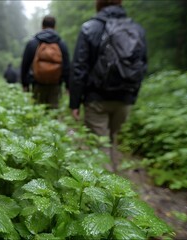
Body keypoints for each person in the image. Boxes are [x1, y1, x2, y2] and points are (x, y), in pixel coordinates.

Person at [69, 0, 147, 172]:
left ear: (98, 4)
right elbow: (142, 65)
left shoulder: (90, 28)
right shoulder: (137, 29)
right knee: (112, 141)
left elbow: (79, 68)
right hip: (124, 98)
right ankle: (115, 182)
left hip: (96, 99)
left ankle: (103, 193)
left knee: (99, 146)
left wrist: (74, 102)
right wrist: (132, 96)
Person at [21, 16, 70, 109]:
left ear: (42, 26)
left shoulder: (33, 42)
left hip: (37, 83)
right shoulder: (61, 43)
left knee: (38, 112)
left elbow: (25, 64)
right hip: (55, 84)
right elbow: (67, 66)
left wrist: (25, 84)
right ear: (55, 27)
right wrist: (68, 85)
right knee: (53, 113)